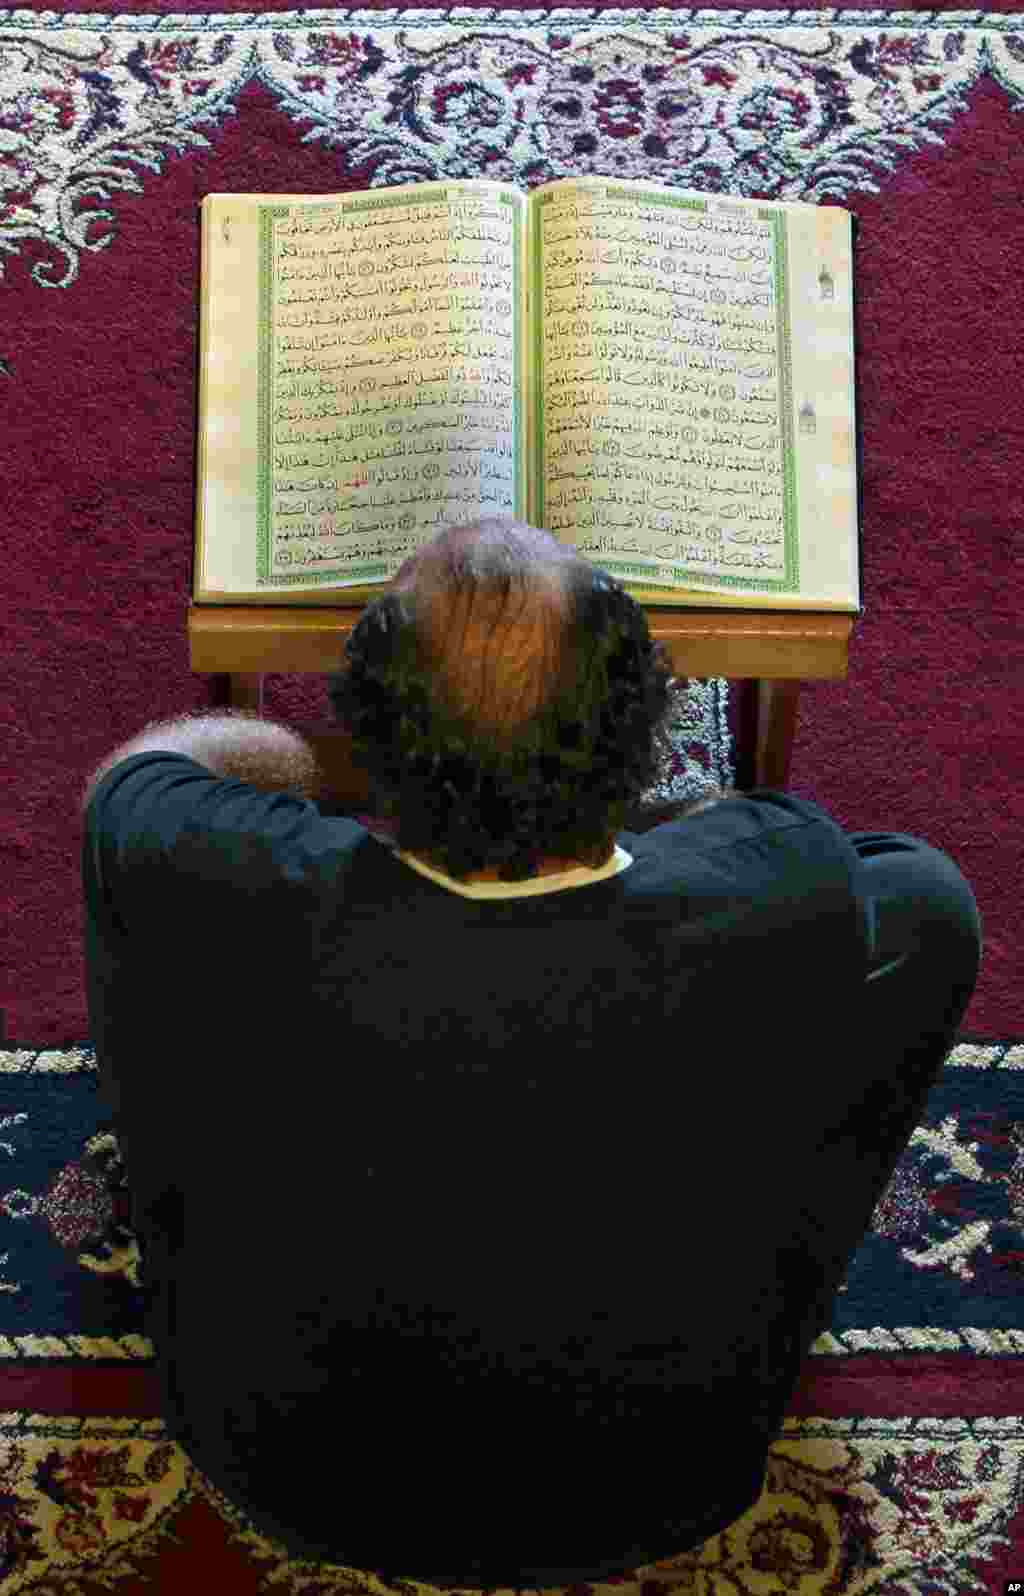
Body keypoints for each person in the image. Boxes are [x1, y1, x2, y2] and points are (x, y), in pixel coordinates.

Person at [81, 513, 982, 1586]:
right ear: (644, 734)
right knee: (928, 906)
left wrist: (286, 761)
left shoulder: (215, 871)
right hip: (674, 1479)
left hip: (270, 1460)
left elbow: (131, 782)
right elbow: (891, 881)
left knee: (141, 913)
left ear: (369, 737)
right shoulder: (777, 878)